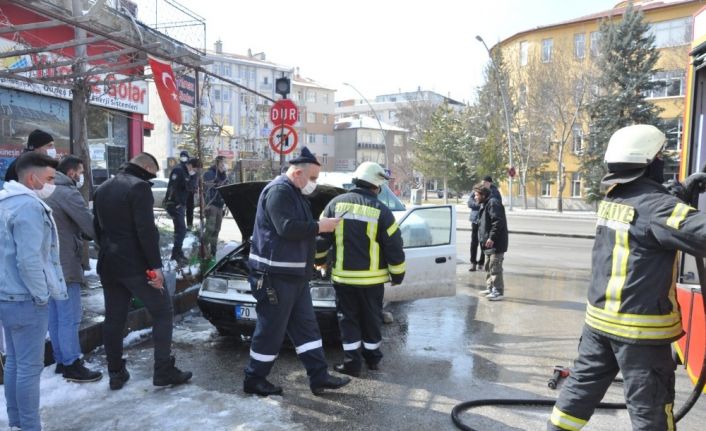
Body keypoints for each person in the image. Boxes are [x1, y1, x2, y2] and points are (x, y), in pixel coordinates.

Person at [548, 124, 706, 431]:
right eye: (660, 155)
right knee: (652, 411)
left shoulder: (614, 199)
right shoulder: (657, 209)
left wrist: (683, 189)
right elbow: (681, 224)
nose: (663, 160)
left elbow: (648, 210)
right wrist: (681, 196)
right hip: (640, 334)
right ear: (649, 164)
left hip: (598, 327)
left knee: (579, 392)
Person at [244, 146, 351, 396]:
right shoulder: (280, 191)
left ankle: (319, 376)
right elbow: (287, 228)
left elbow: (300, 232)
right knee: (271, 330)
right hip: (274, 277)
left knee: (306, 327)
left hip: (295, 277)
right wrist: (319, 226)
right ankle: (254, 379)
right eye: (313, 178)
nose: (315, 183)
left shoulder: (294, 193)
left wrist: (321, 238)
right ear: (298, 173)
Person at [93, 153, 192, 391]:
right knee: (163, 311)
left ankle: (115, 372)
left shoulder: (103, 187)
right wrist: (155, 268)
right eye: (153, 173)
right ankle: (163, 370)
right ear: (147, 167)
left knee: (114, 318)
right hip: (136, 266)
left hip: (109, 264)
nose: (153, 178)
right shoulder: (139, 188)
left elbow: (96, 228)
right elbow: (146, 231)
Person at [316, 161, 405, 377]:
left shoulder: (334, 205)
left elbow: (320, 239)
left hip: (344, 280)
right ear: (376, 186)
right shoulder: (382, 211)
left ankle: (351, 363)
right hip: (372, 282)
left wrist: (319, 261)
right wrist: (397, 274)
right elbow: (394, 246)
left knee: (348, 320)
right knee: (372, 319)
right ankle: (373, 359)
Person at [0, 151, 67, 431]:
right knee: (28, 369)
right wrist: (41, 296)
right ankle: (29, 426)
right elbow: (28, 260)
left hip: (7, 296)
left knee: (15, 363)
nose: (52, 185)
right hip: (25, 299)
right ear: (31, 177)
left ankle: (17, 423)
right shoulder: (28, 206)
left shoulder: (5, 202)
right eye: (50, 178)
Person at [44, 155, 102, 383]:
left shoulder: (45, 189)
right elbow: (89, 225)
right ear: (71, 173)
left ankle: (62, 360)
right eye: (80, 172)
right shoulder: (67, 193)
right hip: (65, 263)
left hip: (46, 265)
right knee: (69, 317)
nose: (81, 177)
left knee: (55, 316)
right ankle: (72, 363)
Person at [164, 154, 199, 264]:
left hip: (181, 205)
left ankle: (178, 253)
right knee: (182, 230)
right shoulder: (178, 171)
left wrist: (194, 177)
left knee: (178, 230)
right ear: (189, 165)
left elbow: (191, 188)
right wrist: (174, 202)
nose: (195, 171)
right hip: (174, 204)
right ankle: (175, 254)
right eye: (194, 169)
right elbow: (172, 187)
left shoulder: (189, 174)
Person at [476, 183, 508, 301]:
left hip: (496, 243)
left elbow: (498, 222)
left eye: (476, 195)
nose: (475, 197)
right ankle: (490, 288)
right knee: (488, 266)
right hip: (489, 244)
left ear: (483, 195)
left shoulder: (493, 203)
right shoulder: (486, 204)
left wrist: (491, 238)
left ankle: (498, 291)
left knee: (495, 267)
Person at [202, 156, 228, 258]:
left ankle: (213, 253)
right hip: (211, 205)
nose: (223, 166)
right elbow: (208, 187)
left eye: (224, 164)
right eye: (222, 164)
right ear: (217, 164)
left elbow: (225, 189)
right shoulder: (210, 173)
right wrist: (218, 183)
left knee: (217, 229)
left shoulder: (224, 175)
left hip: (220, 206)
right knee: (210, 229)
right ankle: (203, 250)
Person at [467, 191, 485, 272]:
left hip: (485, 220)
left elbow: (495, 202)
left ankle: (481, 263)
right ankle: (473, 262)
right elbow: (470, 203)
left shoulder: (493, 191)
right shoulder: (475, 190)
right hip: (475, 220)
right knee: (474, 242)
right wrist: (479, 204)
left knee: (484, 242)